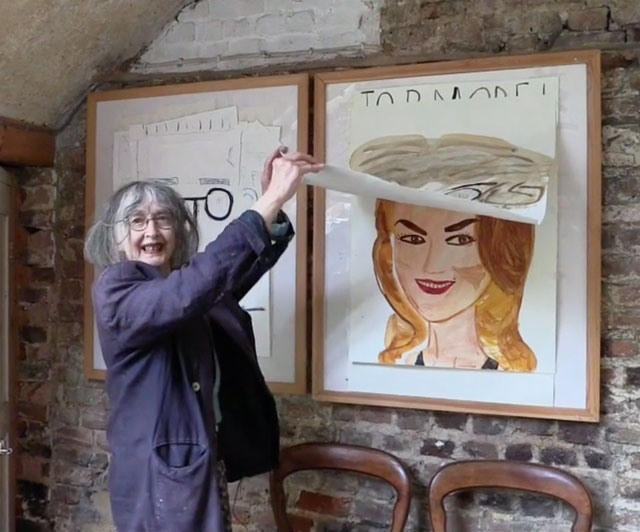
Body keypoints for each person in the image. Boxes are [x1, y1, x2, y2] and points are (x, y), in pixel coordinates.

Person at [84, 148, 323, 532]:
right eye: (137, 221)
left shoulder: (179, 287)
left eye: (163, 220)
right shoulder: (117, 290)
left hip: (199, 459)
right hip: (158, 475)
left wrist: (271, 210)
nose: (151, 231)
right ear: (116, 236)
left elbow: (220, 279)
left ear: (178, 230)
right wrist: (269, 199)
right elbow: (194, 288)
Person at [350, 134, 545, 372]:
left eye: (460, 240)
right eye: (412, 239)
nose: (432, 266)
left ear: (500, 250)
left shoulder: (514, 374)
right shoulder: (401, 362)